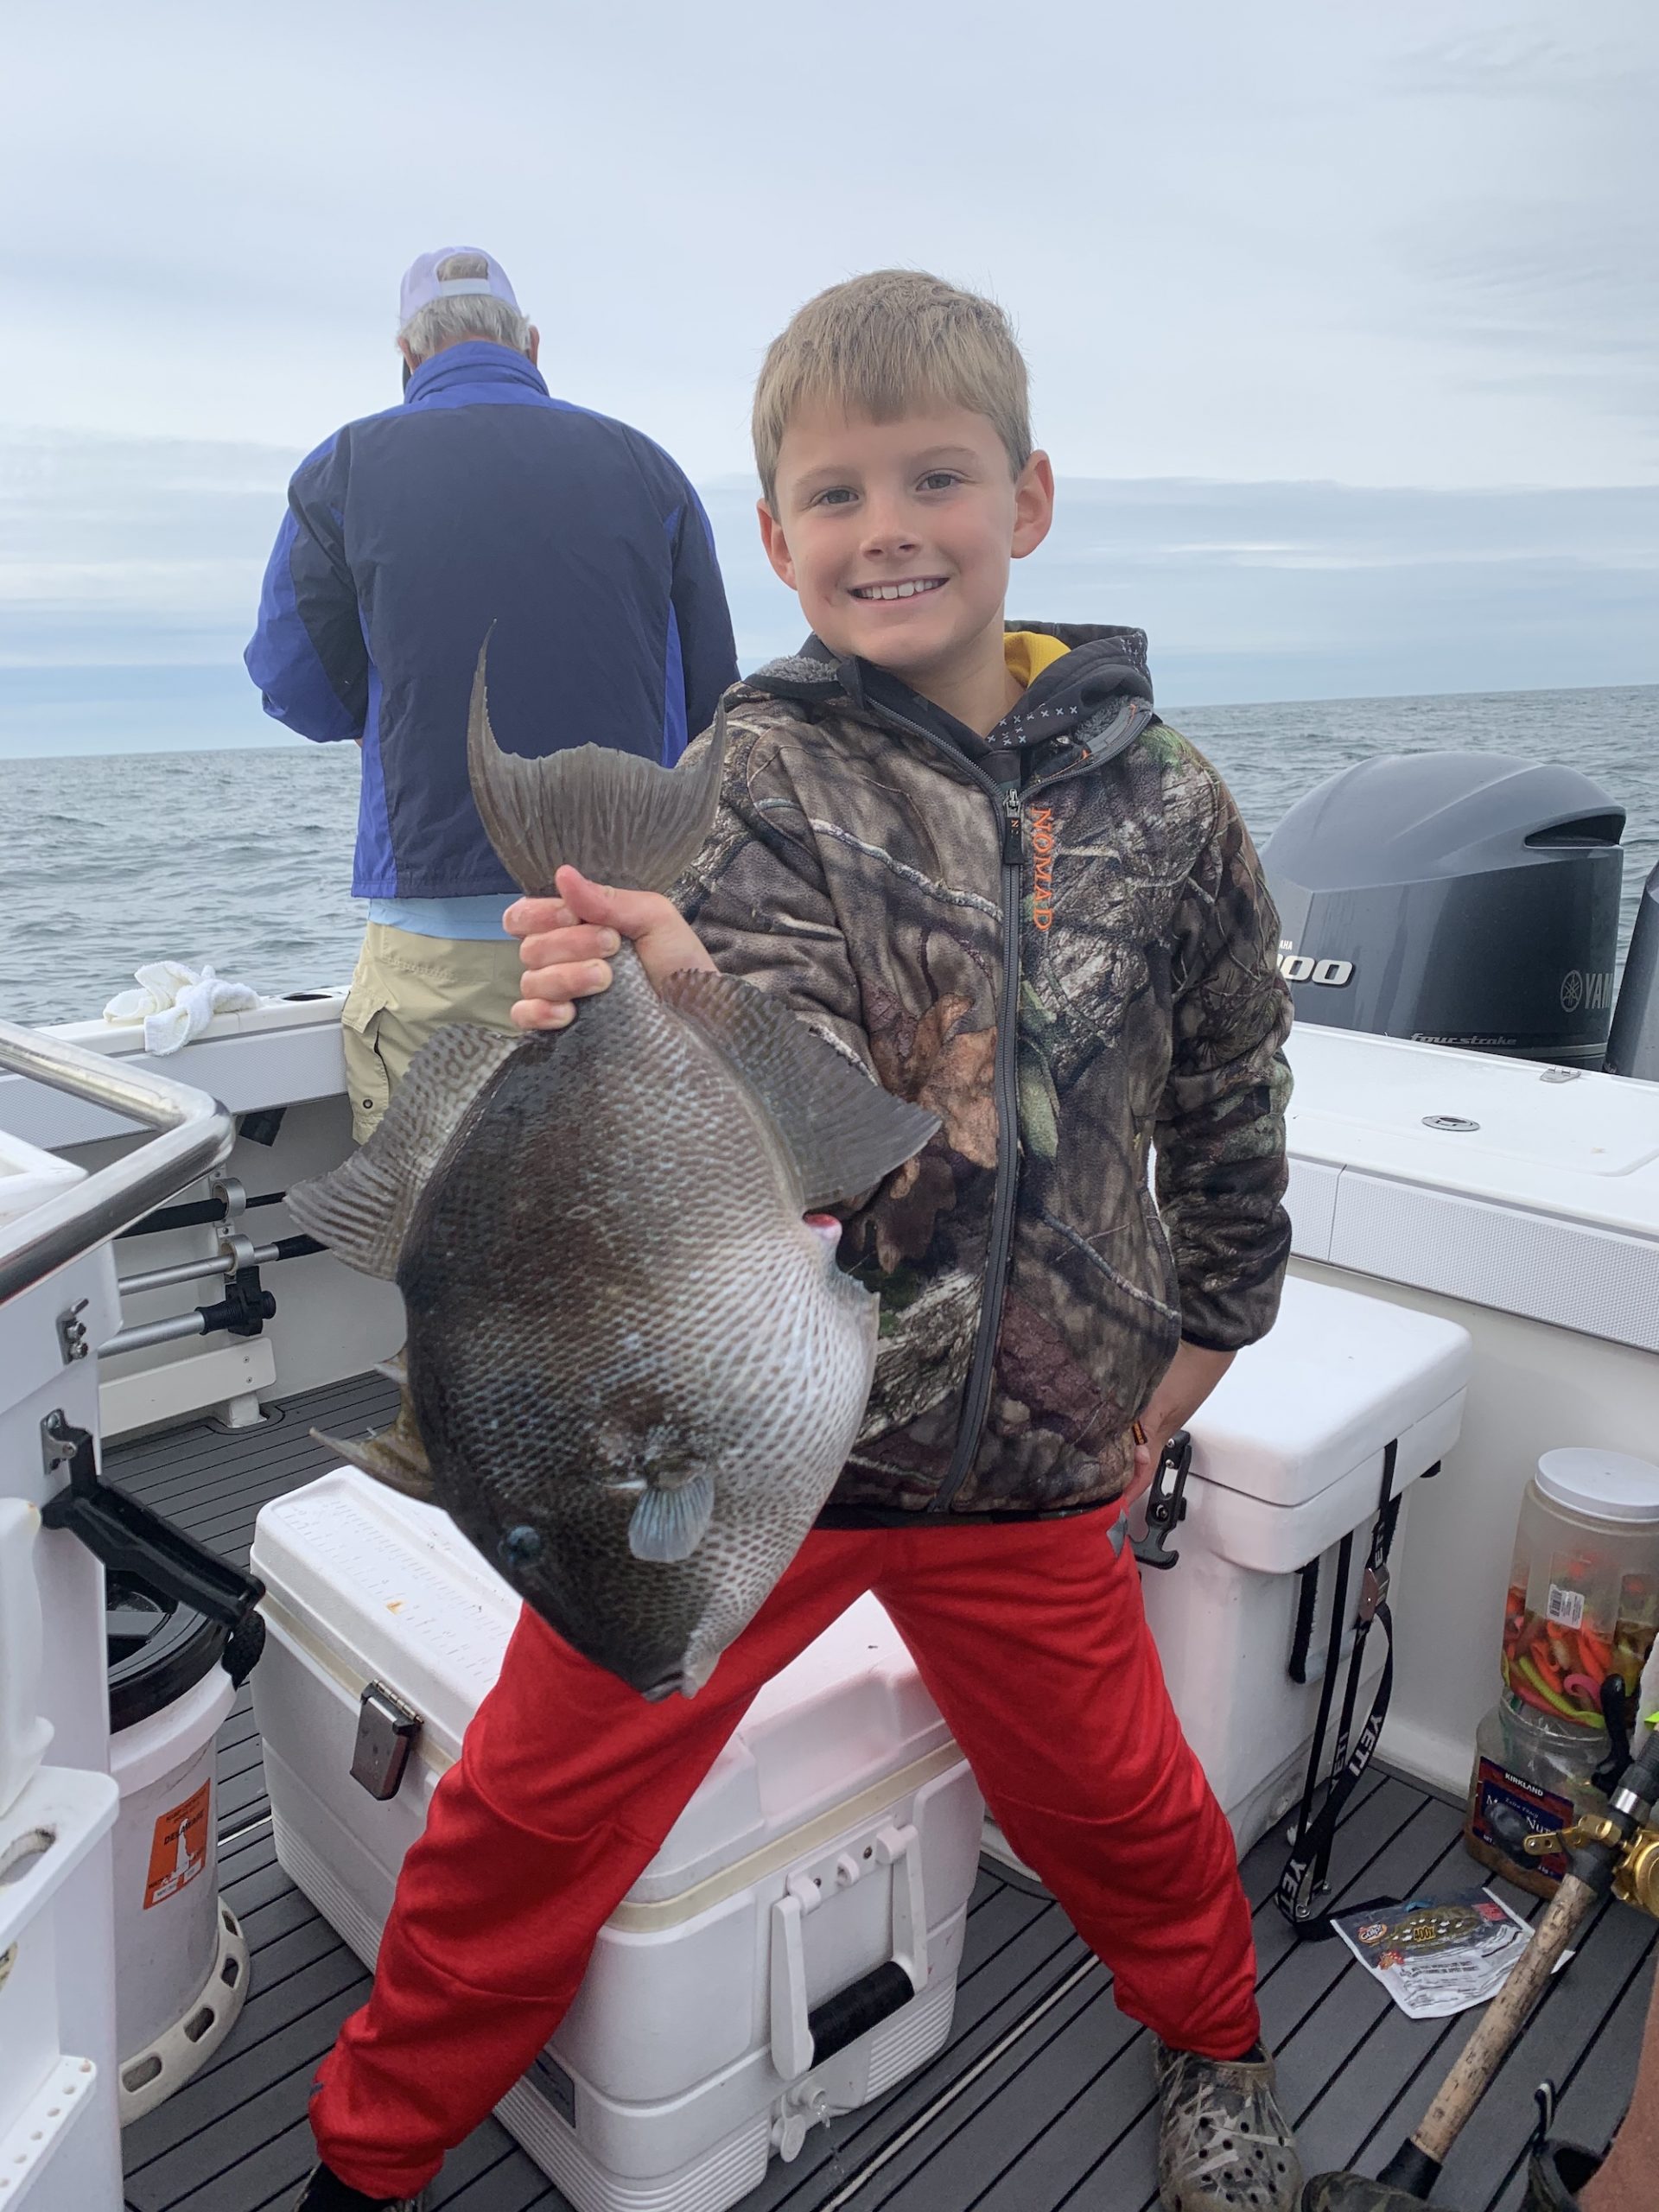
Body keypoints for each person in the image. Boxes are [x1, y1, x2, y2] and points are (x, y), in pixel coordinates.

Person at [293, 269, 1299, 2212]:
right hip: (737, 1444)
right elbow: (804, 1118)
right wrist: (662, 983)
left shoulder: (1176, 806)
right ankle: (370, 2149)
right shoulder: (748, 769)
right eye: (835, 496)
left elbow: (1233, 1086)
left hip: (1030, 1454)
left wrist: (1206, 1342)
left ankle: (1222, 2051)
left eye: (936, 476)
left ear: (1032, 499)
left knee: (1120, 1797)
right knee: (533, 1800)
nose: (887, 528)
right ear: (774, 537)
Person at [245, 246, 737, 1142]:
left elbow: (294, 687)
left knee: (446, 1249)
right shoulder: (650, 470)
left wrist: (395, 704)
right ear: (532, 346)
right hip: (628, 939)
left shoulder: (344, 469)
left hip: (436, 952)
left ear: (406, 355)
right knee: (629, 1238)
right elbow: (716, 706)